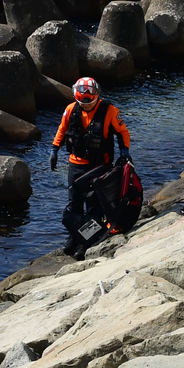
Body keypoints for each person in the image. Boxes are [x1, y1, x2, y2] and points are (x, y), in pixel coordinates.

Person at [50, 77, 131, 257]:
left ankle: (87, 241)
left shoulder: (110, 111)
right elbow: (62, 129)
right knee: (74, 203)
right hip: (76, 164)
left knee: (94, 205)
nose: (86, 105)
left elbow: (122, 132)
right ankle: (73, 237)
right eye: (83, 102)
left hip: (99, 166)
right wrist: (54, 149)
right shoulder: (70, 110)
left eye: (90, 102)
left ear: (96, 96)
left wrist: (124, 151)